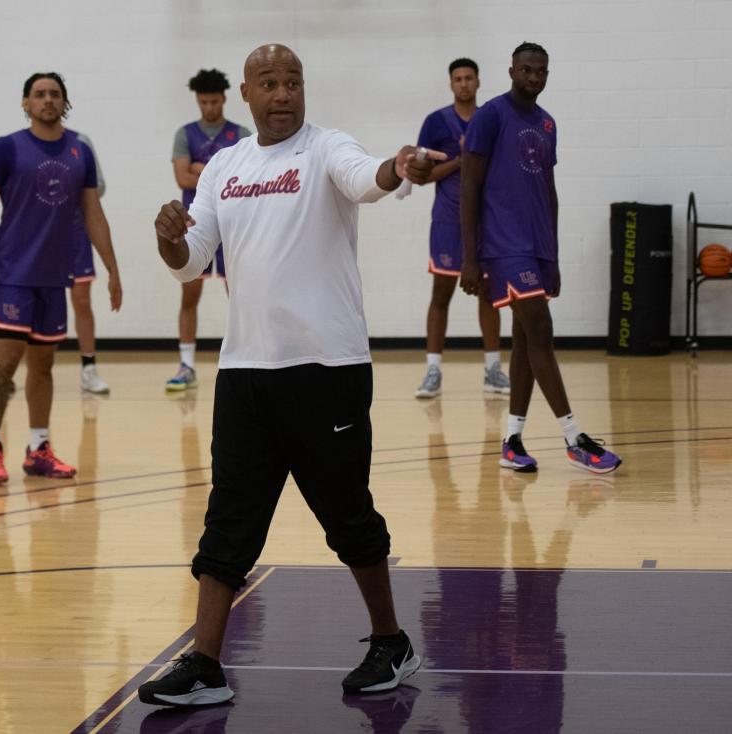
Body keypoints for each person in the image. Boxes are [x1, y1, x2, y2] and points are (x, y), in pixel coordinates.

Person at [139, 44, 443, 707]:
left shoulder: (328, 148)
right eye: (269, 83)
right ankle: (207, 664)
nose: (283, 93)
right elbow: (190, 261)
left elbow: (368, 178)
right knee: (228, 521)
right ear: (246, 95)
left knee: (346, 513)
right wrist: (168, 236)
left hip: (327, 368)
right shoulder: (224, 166)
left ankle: (391, 641)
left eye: (293, 82)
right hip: (246, 371)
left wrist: (398, 166)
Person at [459, 42, 622, 475]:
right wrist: (470, 257)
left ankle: (512, 440)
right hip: (502, 244)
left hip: (535, 246)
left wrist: (552, 256)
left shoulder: (547, 124)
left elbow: (548, 193)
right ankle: (574, 438)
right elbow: (469, 187)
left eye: (541, 72)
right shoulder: (490, 116)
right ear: (512, 71)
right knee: (541, 331)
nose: (534, 78)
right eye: (527, 70)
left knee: (528, 339)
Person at [0, 72, 122, 484]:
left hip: (55, 277)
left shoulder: (79, 151)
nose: (48, 100)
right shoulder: (6, 149)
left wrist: (112, 267)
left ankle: (38, 449)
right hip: (10, 274)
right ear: (26, 103)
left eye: (55, 94)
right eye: (39, 94)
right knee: (5, 362)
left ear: (65, 102)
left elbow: (93, 213)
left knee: (44, 365)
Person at [400, 58, 510, 399]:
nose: (463, 84)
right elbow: (422, 176)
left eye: (469, 78)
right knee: (441, 294)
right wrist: (461, 161)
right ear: (451, 84)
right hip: (448, 220)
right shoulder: (435, 122)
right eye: (457, 79)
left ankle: (493, 369)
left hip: (485, 221)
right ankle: (433, 369)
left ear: (478, 82)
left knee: (490, 295)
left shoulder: (491, 118)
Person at [166, 68, 251, 391]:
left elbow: (246, 179)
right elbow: (182, 179)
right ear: (197, 101)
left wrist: (200, 169)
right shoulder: (185, 133)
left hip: (234, 223)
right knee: (190, 294)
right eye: (203, 102)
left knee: (241, 293)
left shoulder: (241, 133)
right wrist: (210, 174)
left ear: (224, 99)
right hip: (196, 222)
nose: (209, 107)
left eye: (214, 101)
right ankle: (186, 365)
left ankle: (247, 356)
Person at [68, 132, 112, 394]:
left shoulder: (81, 142)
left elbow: (99, 186)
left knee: (82, 300)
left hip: (75, 231)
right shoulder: (20, 144)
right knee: (37, 302)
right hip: (39, 235)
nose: (49, 101)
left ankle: (89, 369)